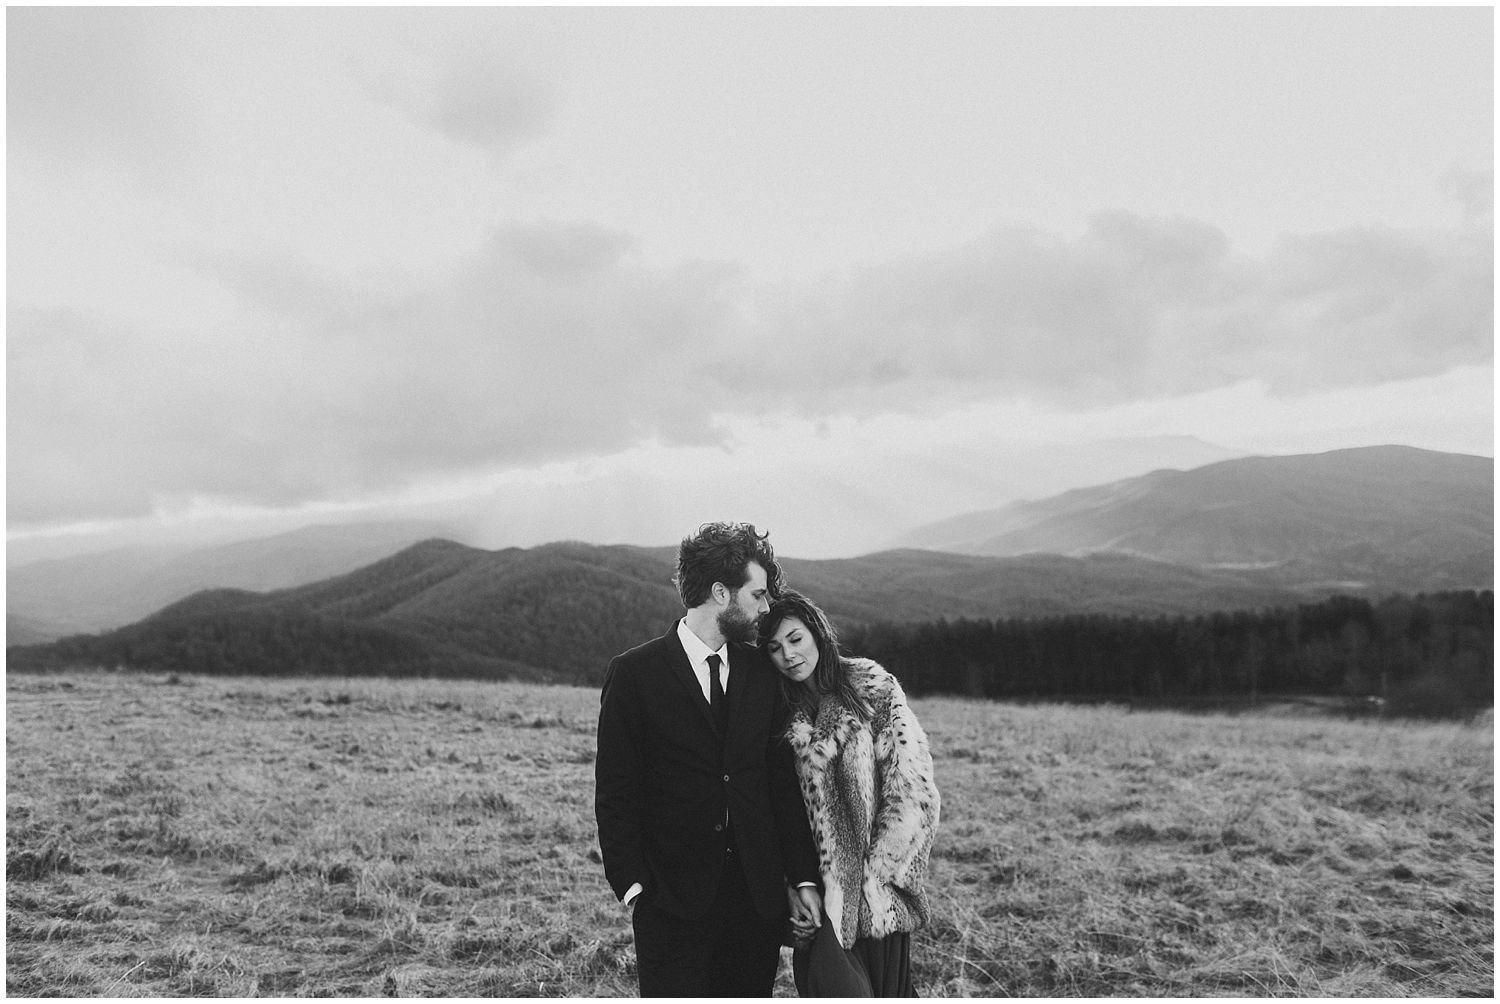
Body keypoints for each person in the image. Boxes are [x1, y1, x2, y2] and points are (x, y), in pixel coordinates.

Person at [595, 522, 824, 996]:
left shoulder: (762, 672)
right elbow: (616, 790)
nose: (766, 607)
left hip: (756, 905)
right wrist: (634, 887)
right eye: (758, 595)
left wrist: (801, 876)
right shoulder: (634, 674)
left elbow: (780, 783)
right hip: (671, 905)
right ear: (721, 593)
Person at [760, 590, 940, 997]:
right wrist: (796, 885)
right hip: (819, 904)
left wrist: (877, 880)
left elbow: (912, 792)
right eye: (774, 648)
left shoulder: (872, 689)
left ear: (818, 634)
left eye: (795, 639)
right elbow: (779, 811)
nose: (788, 655)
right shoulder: (779, 715)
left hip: (876, 897)